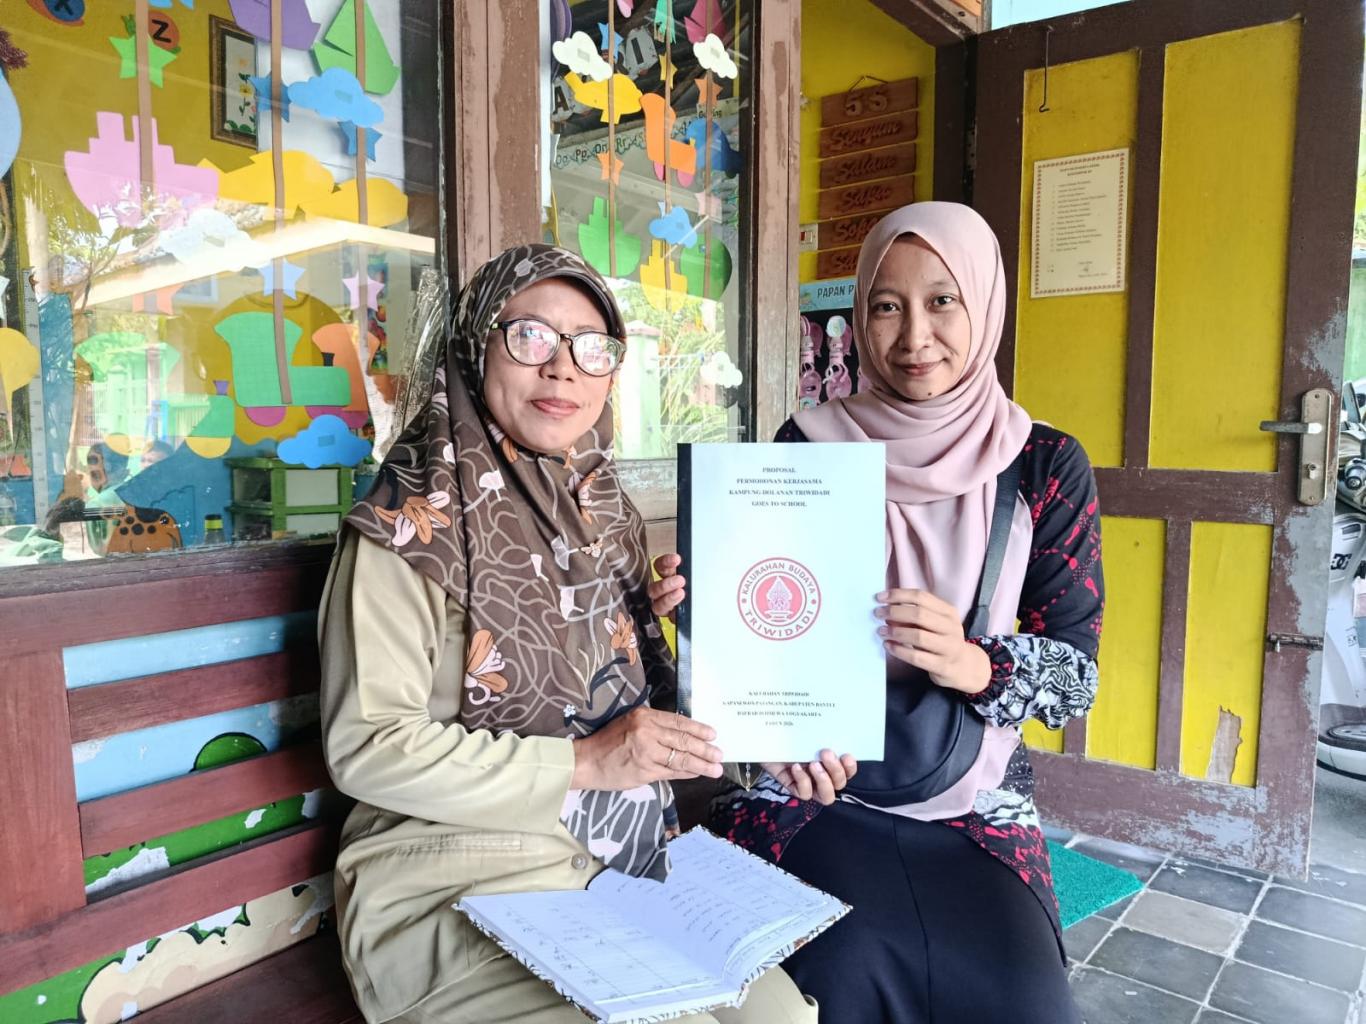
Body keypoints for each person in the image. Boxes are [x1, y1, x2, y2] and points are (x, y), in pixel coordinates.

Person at [318, 244, 817, 1024]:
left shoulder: (599, 512)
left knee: (783, 1015)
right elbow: (369, 747)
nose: (562, 369)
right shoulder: (407, 527)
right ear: (476, 345)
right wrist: (583, 762)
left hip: (614, 856)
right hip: (453, 873)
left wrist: (759, 724)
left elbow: (633, 720)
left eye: (591, 347)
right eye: (530, 337)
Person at [650, 202, 1103, 1022]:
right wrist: (702, 611)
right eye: (887, 306)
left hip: (975, 803)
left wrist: (970, 660)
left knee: (1025, 1004)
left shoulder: (1042, 463)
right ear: (858, 318)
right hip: (818, 787)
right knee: (832, 980)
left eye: (942, 301)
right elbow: (773, 629)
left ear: (984, 304)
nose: (914, 336)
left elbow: (1075, 681)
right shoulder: (807, 444)